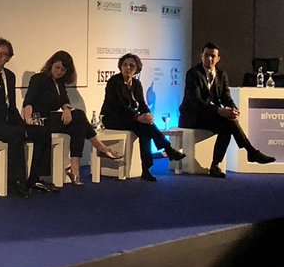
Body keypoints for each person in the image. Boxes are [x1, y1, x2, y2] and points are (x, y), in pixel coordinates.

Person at [0, 37, 58, 197]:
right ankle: (16, 183)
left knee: (42, 131)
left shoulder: (9, 76)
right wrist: (14, 127)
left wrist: (23, 123)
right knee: (16, 133)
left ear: (9, 58)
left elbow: (11, 106)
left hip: (7, 122)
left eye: (3, 54)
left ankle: (35, 178)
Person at [22, 50, 120, 186]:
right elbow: (28, 102)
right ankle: (100, 148)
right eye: (57, 67)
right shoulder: (39, 78)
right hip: (39, 120)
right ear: (51, 65)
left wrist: (67, 109)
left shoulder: (59, 83)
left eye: (63, 70)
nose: (59, 72)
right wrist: (28, 119)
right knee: (79, 115)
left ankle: (75, 170)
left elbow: (64, 99)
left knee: (78, 126)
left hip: (50, 118)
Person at [178, 42, 276, 177]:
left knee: (228, 123)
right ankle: (249, 152)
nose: (209, 59)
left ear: (218, 58)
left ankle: (218, 164)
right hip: (193, 116)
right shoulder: (193, 73)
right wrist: (219, 111)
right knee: (228, 123)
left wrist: (234, 109)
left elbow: (226, 98)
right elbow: (196, 102)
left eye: (213, 56)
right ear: (201, 56)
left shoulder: (221, 75)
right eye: (206, 55)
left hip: (209, 115)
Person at [100, 53, 185, 181]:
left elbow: (142, 104)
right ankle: (168, 150)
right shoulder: (114, 82)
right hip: (111, 118)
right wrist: (137, 117)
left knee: (145, 129)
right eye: (125, 65)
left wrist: (148, 115)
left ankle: (146, 169)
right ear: (120, 66)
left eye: (131, 65)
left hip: (129, 118)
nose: (128, 68)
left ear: (137, 69)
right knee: (144, 126)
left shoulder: (136, 83)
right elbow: (119, 105)